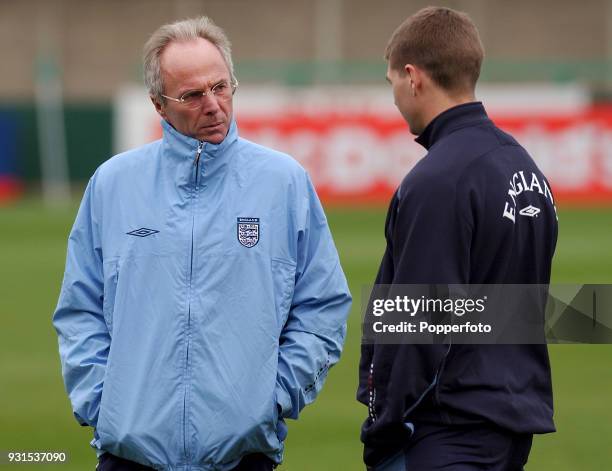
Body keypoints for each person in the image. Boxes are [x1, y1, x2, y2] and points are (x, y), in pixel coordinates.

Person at [53, 16, 351, 471]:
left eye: (221, 86)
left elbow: (323, 305)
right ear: (158, 103)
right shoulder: (112, 184)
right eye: (192, 94)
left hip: (243, 457)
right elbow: (80, 310)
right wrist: (102, 405)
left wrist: (274, 397)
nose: (213, 105)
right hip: (130, 456)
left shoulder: (283, 183)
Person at [357, 7, 558, 471]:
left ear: (413, 77)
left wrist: (383, 425)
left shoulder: (438, 180)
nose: (393, 97)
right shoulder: (525, 168)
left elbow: (419, 320)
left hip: (445, 429)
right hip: (508, 427)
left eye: (391, 82)